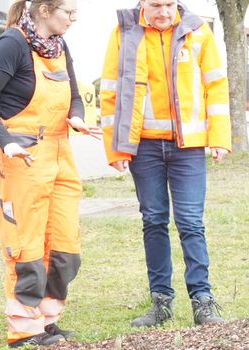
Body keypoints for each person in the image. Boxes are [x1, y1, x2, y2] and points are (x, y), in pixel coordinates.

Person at [0, 0, 101, 347]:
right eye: (68, 12)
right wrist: (6, 142)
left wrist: (76, 117)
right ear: (44, 10)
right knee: (26, 247)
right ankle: (24, 329)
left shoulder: (59, 45)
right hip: (21, 158)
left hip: (60, 155)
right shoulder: (11, 44)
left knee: (64, 246)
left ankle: (46, 320)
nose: (74, 19)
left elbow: (74, 95)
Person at [99, 0, 232, 328]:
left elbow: (216, 85)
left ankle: (203, 301)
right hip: (143, 146)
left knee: (190, 222)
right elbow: (110, 91)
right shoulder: (124, 32)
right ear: (143, 3)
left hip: (189, 146)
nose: (163, 12)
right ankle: (161, 302)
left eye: (169, 4)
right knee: (154, 220)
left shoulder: (198, 31)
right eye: (156, 4)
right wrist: (116, 147)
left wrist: (219, 137)